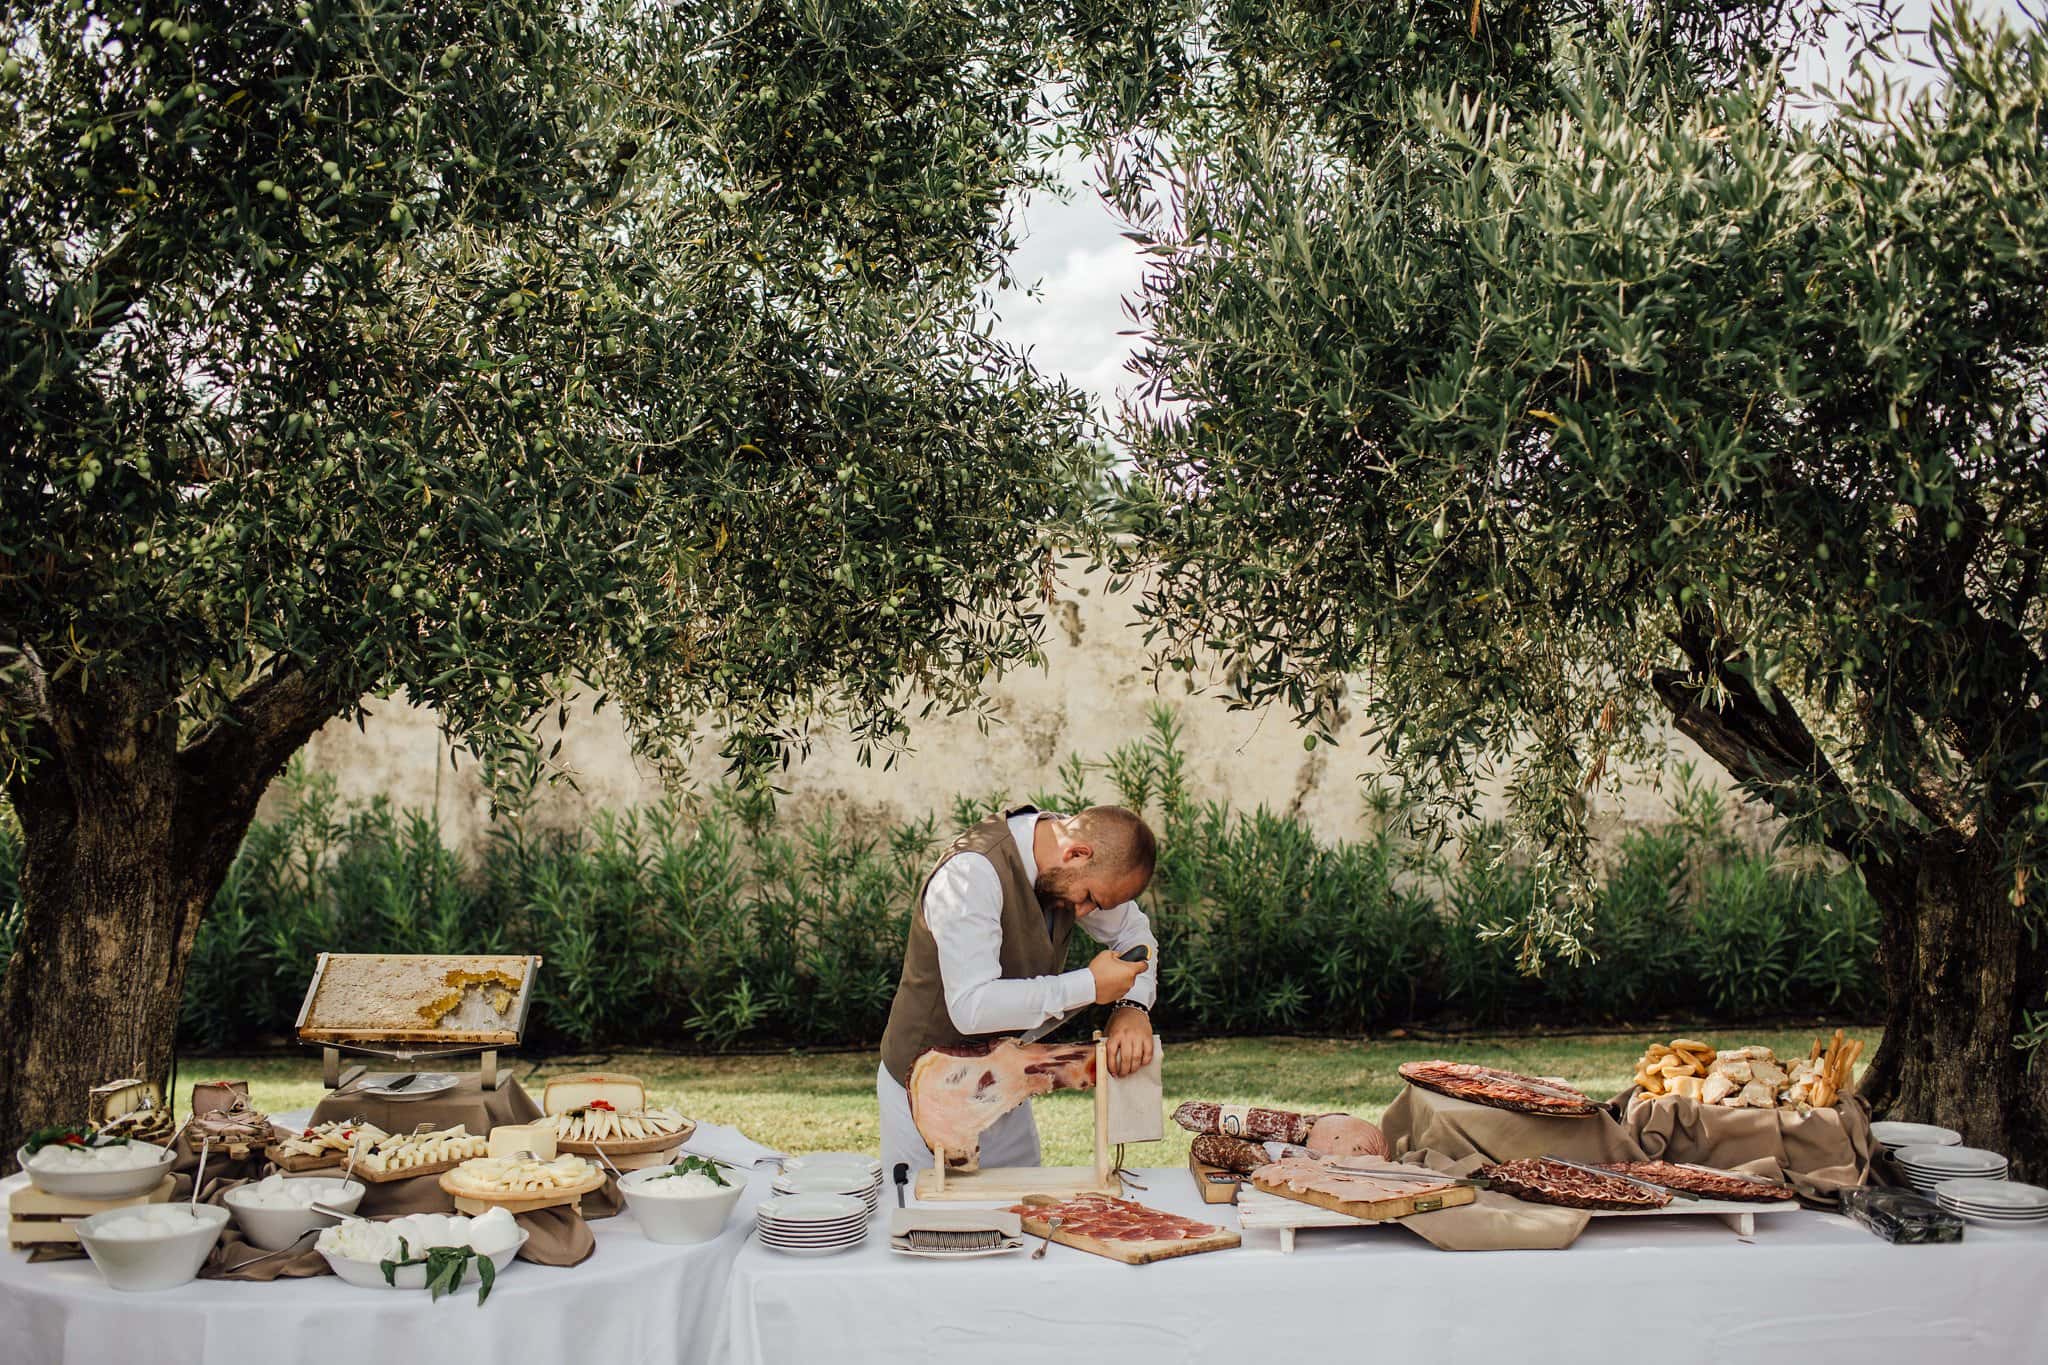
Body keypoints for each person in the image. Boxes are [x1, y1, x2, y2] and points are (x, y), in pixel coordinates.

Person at [877, 804, 1159, 1175]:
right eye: (1089, 897)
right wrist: (1088, 986)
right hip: (926, 1095)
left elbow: (1135, 934)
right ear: (1076, 853)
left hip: (1008, 1085)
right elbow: (971, 1008)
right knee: (934, 1226)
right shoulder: (970, 874)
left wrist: (1132, 1006)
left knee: (1020, 1221)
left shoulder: (1072, 862)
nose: (1086, 913)